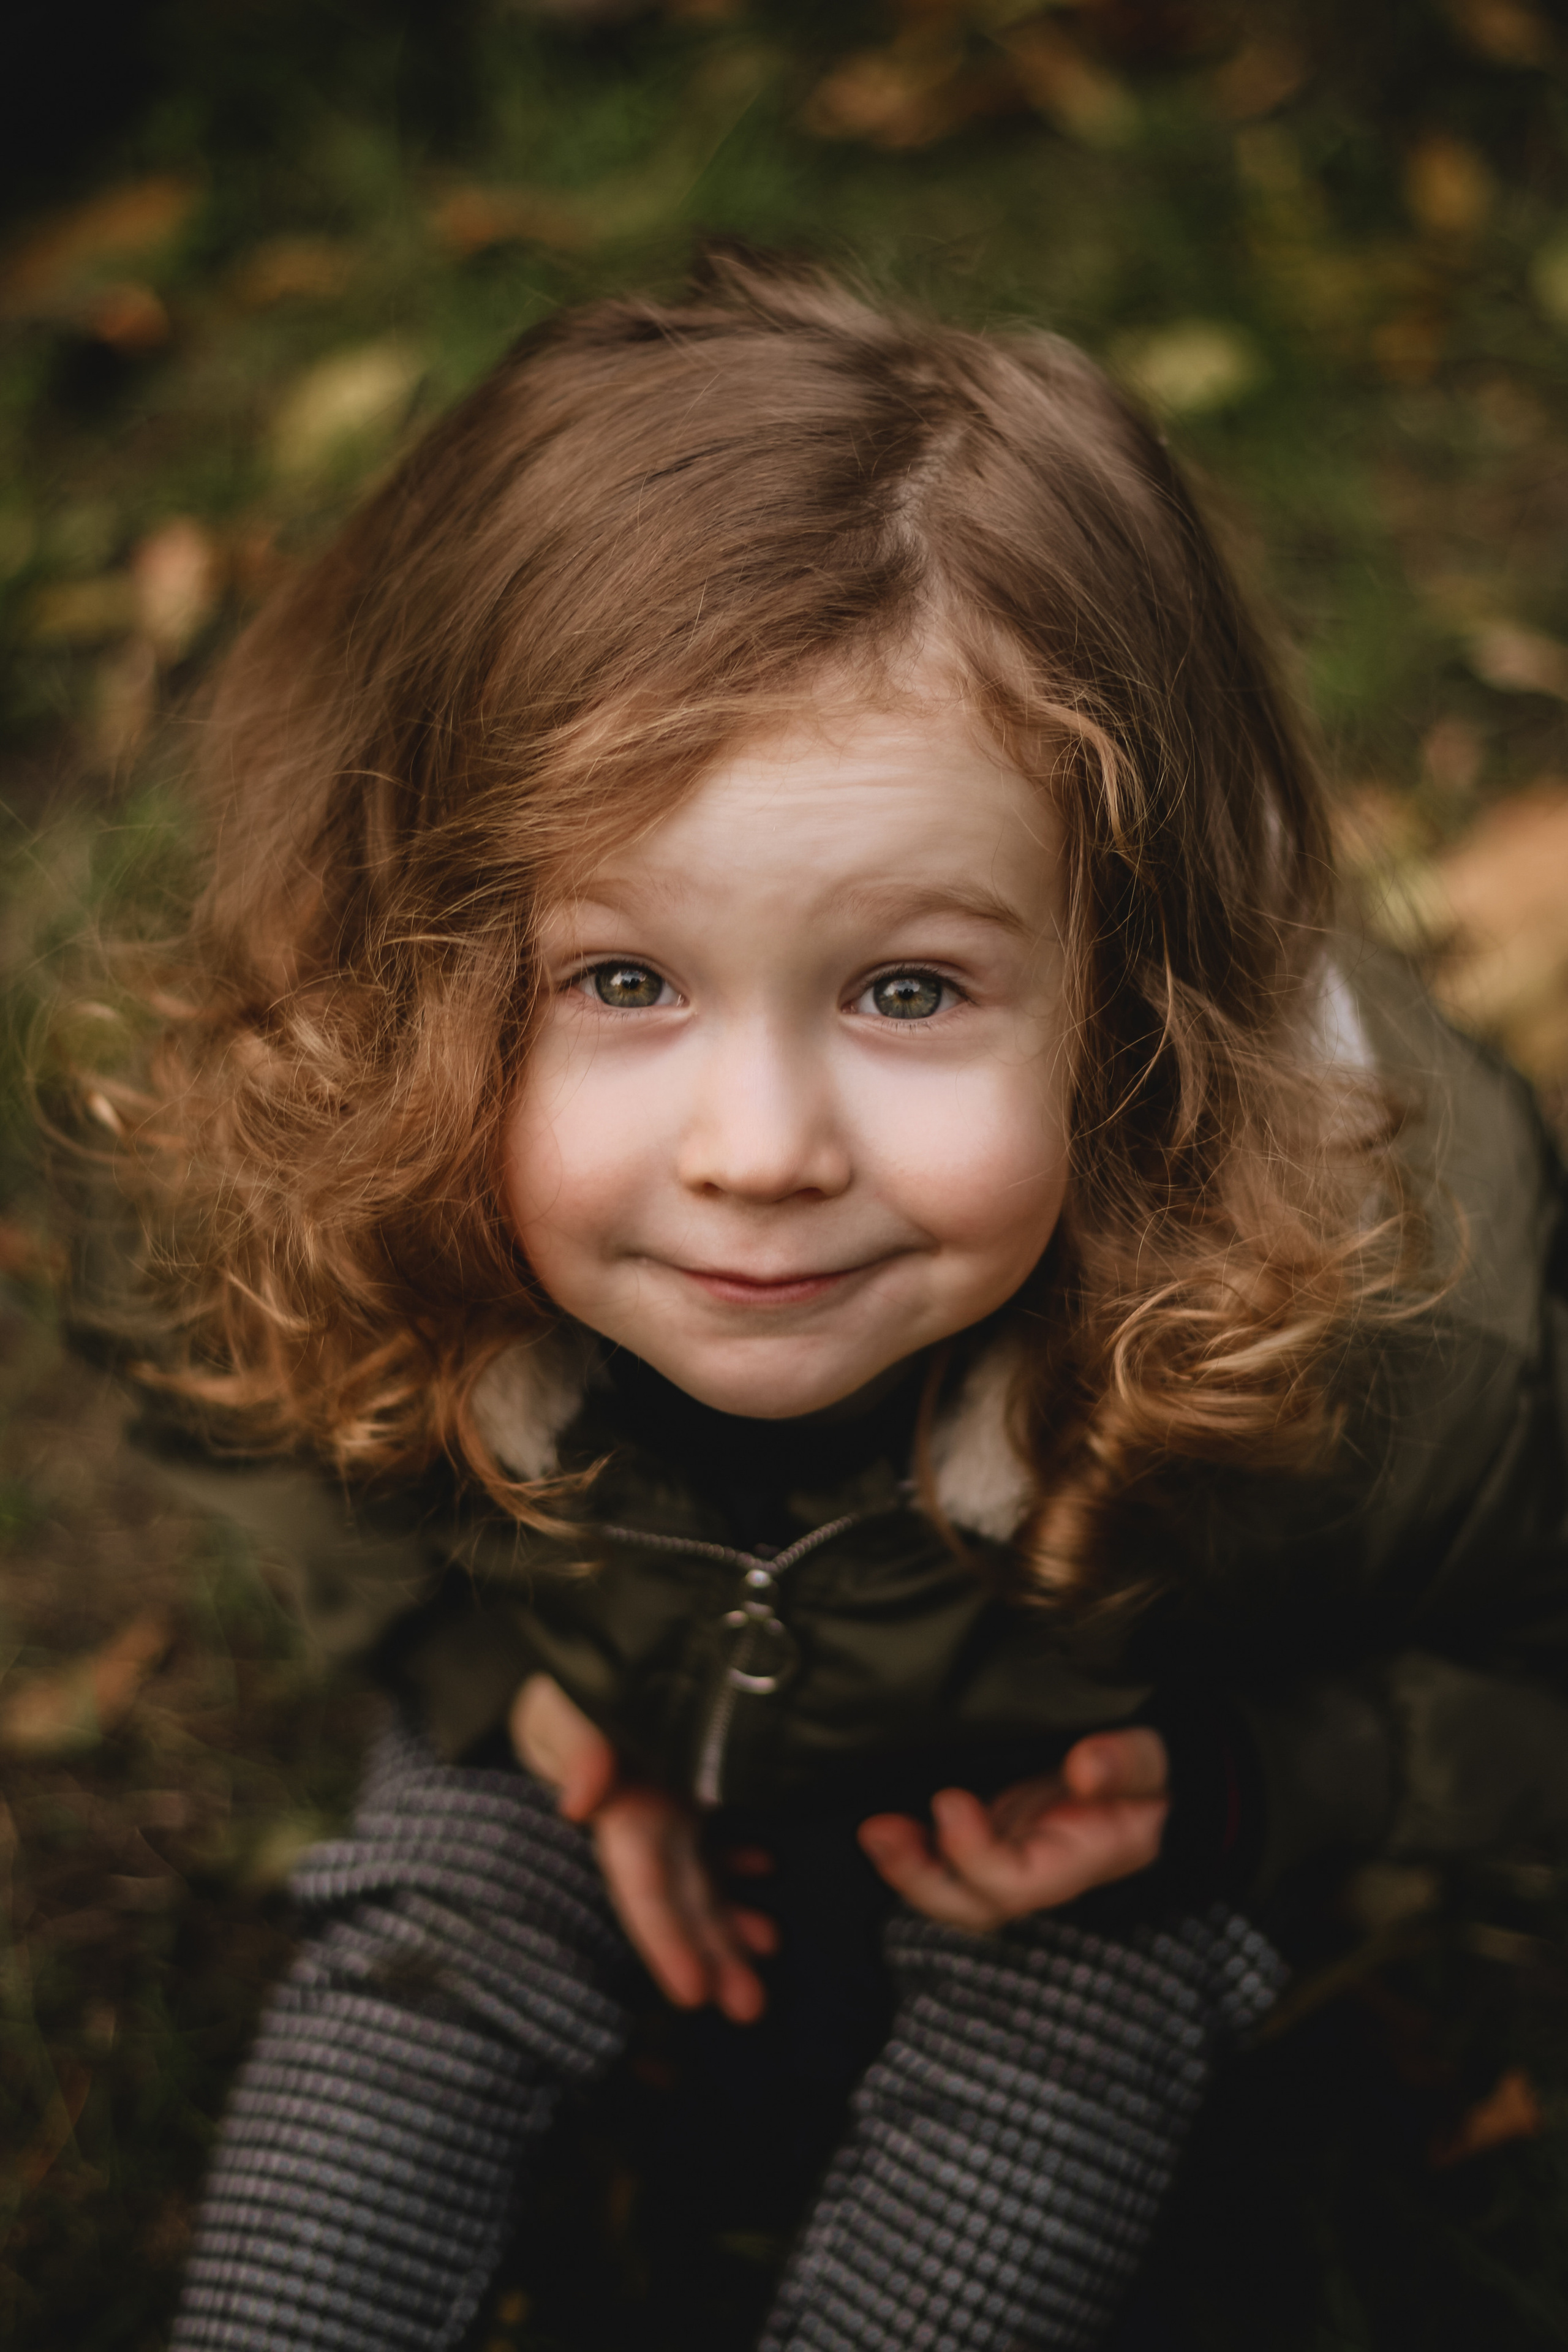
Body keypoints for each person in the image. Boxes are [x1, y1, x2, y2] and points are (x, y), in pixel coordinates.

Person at [63, 250, 1568, 2352]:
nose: (759, 1147)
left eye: (909, 988)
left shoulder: (1399, 1331)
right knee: (433, 1940)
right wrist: (501, 1685)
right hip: (590, 1670)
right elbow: (205, 1379)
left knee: (1070, 2025)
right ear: (419, 967)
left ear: (1133, 995)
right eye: (622, 979)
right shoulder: (312, 1159)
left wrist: (1242, 1794)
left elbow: (1533, 1675)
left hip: (1081, 1786)